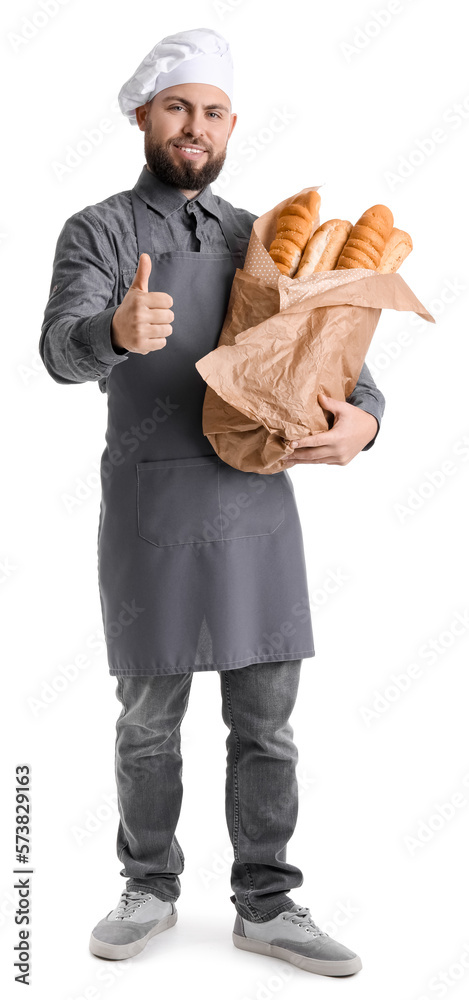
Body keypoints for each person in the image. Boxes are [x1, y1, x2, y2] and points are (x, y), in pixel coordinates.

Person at [40, 27, 385, 977]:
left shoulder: (256, 236)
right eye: (177, 107)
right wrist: (111, 328)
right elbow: (58, 351)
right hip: (150, 512)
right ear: (145, 116)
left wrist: (365, 421)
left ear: (232, 124)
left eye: (213, 110)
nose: (195, 126)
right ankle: (148, 885)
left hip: (257, 507)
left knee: (267, 725)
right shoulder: (99, 232)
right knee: (147, 722)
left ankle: (267, 903)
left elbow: (337, 356)